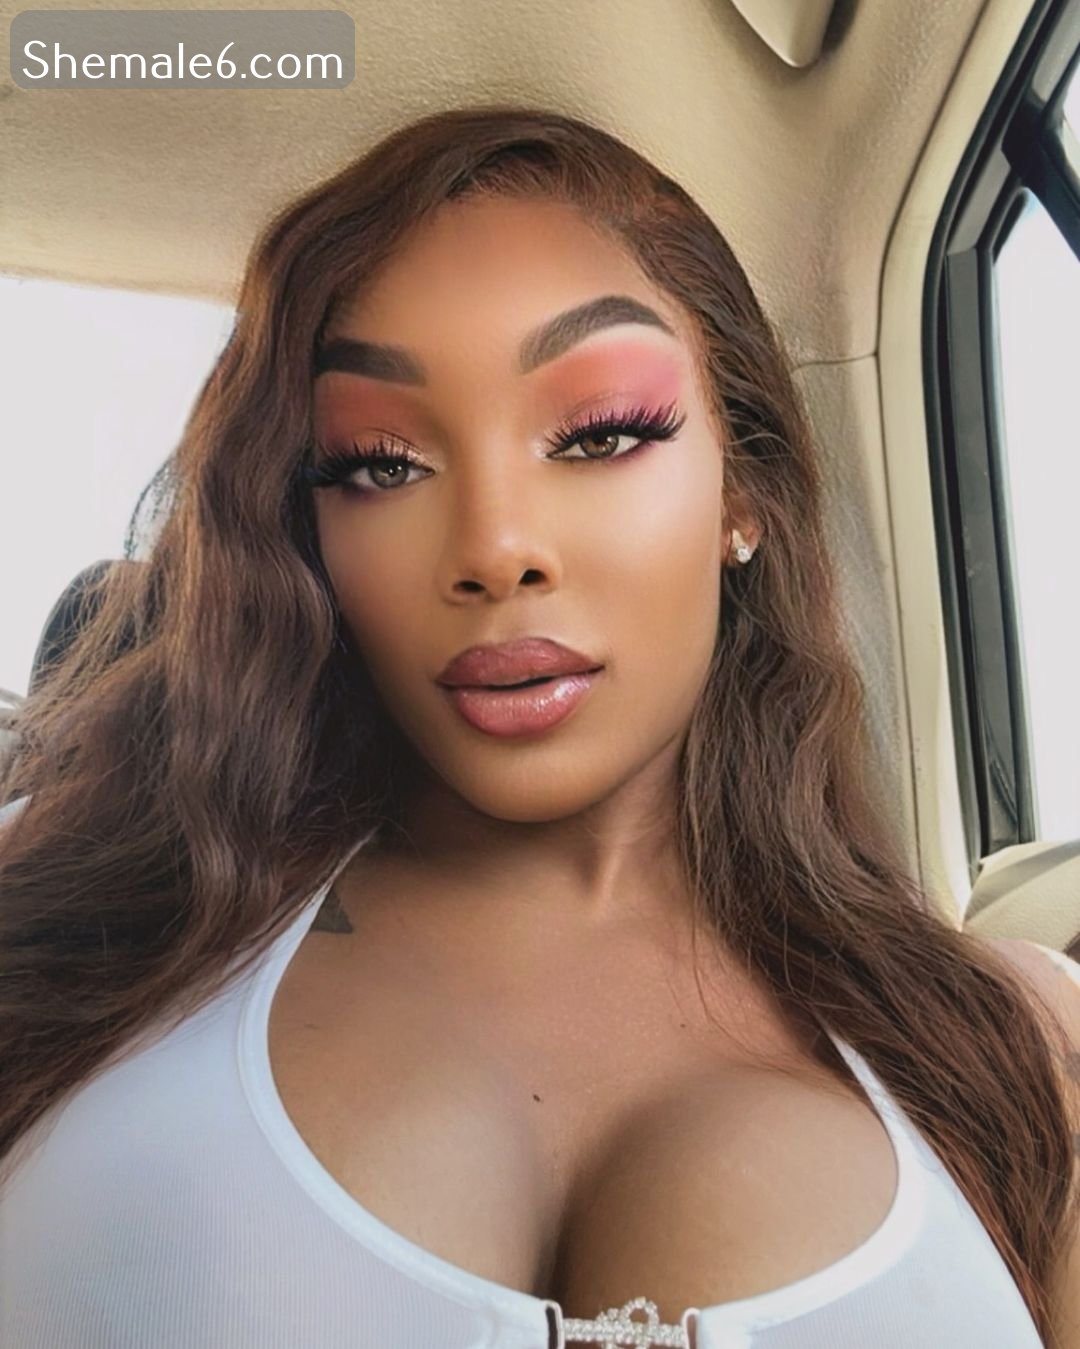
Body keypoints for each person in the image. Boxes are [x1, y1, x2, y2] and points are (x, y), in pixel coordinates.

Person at [0, 104, 1077, 1349]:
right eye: (381, 462)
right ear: (307, 528)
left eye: (602, 431)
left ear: (745, 490)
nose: (497, 546)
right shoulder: (68, 916)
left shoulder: (1021, 1040)